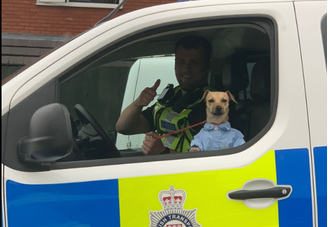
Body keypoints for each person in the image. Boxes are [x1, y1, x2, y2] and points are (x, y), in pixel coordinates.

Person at [116, 35, 213, 155]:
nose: (186, 69)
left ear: (207, 66)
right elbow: (123, 127)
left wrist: (163, 152)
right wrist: (138, 103)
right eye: (180, 62)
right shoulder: (171, 98)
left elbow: (213, 159)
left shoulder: (214, 106)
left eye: (195, 63)